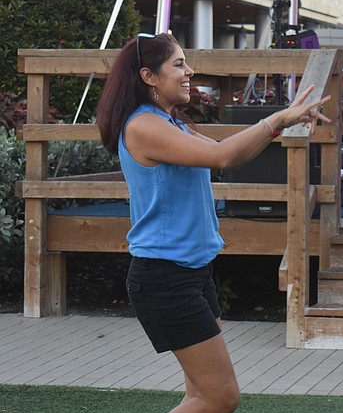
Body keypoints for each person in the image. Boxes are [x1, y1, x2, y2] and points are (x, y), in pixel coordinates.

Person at [96, 32, 330, 413]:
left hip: (191, 274)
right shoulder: (143, 126)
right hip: (163, 278)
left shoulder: (171, 123)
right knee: (220, 397)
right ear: (148, 76)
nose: (189, 70)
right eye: (178, 64)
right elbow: (222, 157)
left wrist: (282, 124)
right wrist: (276, 119)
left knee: (199, 397)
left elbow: (229, 155)